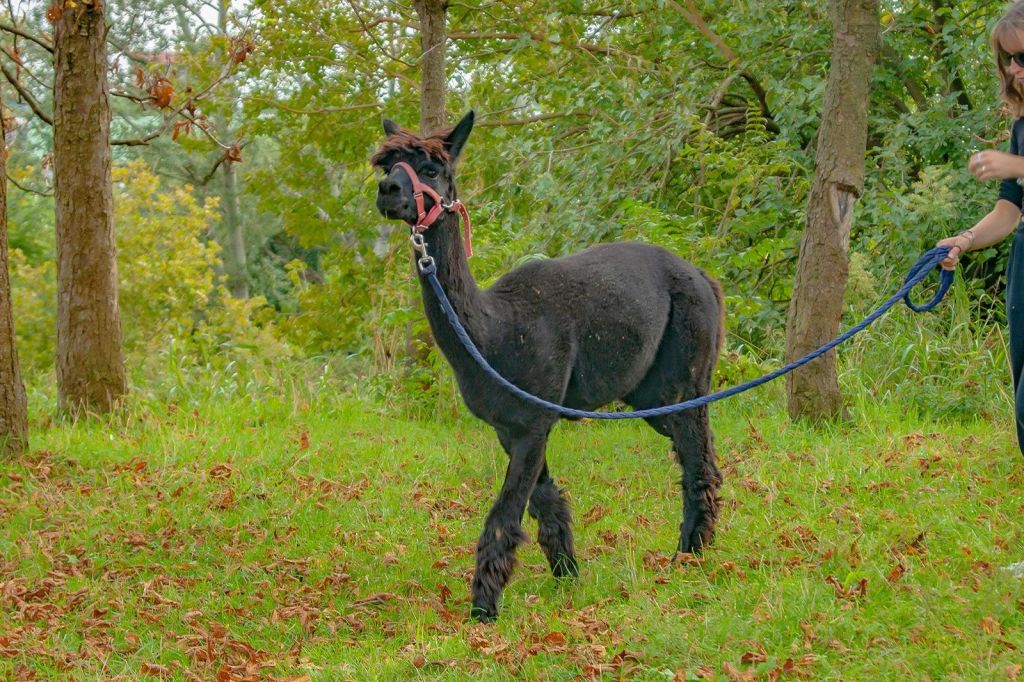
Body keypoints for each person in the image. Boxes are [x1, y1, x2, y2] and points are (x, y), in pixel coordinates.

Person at [938, 0, 1024, 457]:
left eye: (1023, 57)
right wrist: (965, 240)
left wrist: (1016, 164)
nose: (1014, 69)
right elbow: (1009, 211)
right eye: (1008, 60)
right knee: (1023, 409)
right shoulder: (1022, 127)